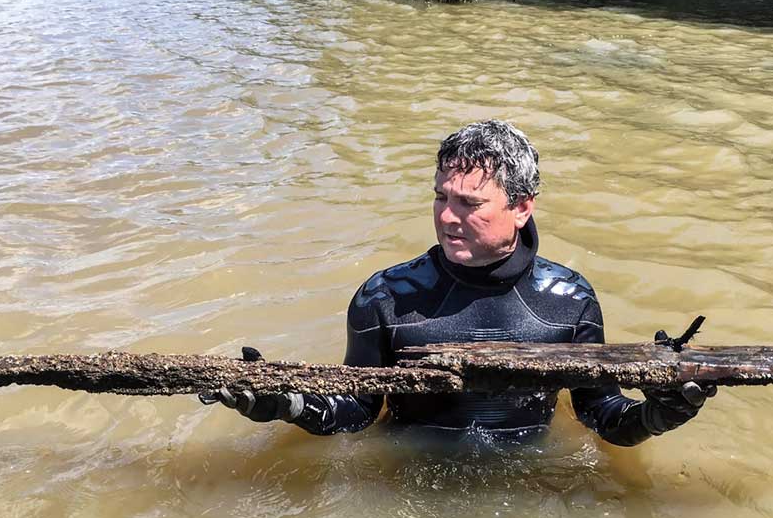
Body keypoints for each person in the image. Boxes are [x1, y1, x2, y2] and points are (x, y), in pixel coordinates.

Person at [202, 120, 715, 445]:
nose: (447, 217)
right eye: (440, 197)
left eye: (469, 203)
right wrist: (286, 402)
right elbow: (356, 413)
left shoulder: (570, 300)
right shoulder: (385, 297)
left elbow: (600, 416)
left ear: (521, 207)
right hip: (408, 482)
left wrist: (658, 415)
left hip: (526, 487)